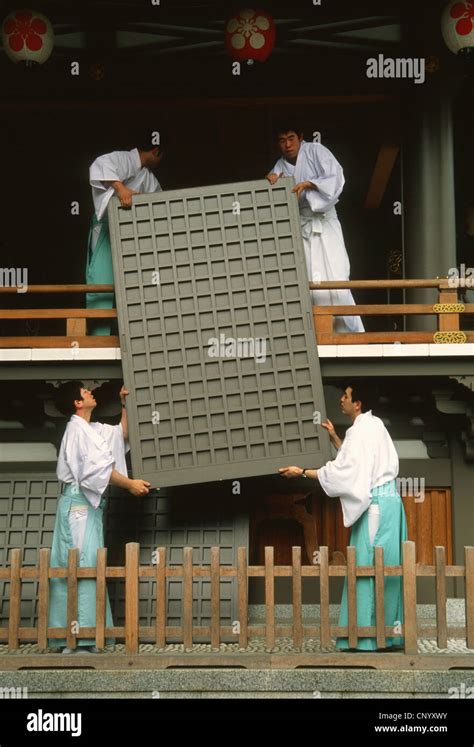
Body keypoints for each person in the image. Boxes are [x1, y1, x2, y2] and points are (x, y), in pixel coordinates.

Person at [279, 383, 407, 651]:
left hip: (375, 508)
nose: (341, 399)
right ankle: (391, 634)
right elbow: (358, 462)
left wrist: (301, 471)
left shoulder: (359, 431)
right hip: (391, 503)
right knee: (389, 566)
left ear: (357, 403)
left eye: (346, 396)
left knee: (367, 565)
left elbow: (344, 472)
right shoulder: (375, 425)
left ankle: (367, 638)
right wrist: (336, 438)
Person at [49, 381, 151, 654]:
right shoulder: (76, 430)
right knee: (80, 565)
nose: (90, 391)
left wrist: (125, 404)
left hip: (89, 507)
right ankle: (76, 638)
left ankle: (89, 636)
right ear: (77, 403)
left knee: (89, 564)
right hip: (78, 506)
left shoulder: (91, 430)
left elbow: (123, 434)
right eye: (84, 391)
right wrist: (129, 484)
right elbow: (94, 472)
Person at [266, 127, 364, 333]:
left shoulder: (315, 151)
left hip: (325, 224)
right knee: (309, 279)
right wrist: (271, 183)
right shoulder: (279, 166)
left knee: (336, 277)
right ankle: (318, 333)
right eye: (282, 140)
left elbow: (336, 176)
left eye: (291, 138)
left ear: (301, 138)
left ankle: (349, 332)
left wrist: (310, 184)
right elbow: (271, 194)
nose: (288, 144)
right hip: (301, 229)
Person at [86, 138, 163, 335]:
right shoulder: (123, 158)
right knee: (102, 281)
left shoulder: (148, 177)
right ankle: (99, 337)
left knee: (132, 286)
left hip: (133, 234)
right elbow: (98, 166)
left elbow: (160, 203)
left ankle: (131, 336)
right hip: (107, 228)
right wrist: (121, 190)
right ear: (156, 151)